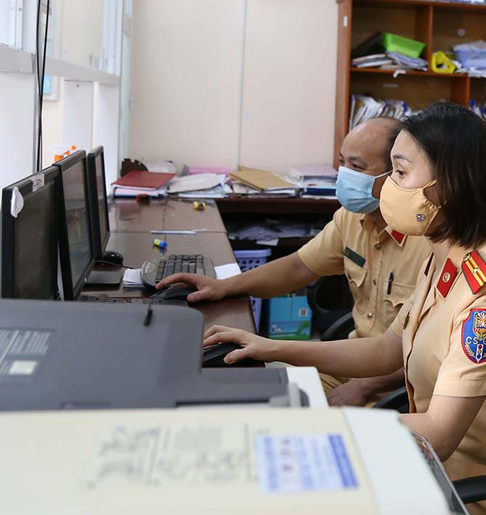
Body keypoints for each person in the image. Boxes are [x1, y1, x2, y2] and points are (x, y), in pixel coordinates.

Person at [203, 102, 486, 515]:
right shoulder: (445, 255)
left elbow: (439, 434)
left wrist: (314, 432)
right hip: (431, 469)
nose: (387, 186)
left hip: (478, 494)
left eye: (401, 173)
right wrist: (270, 347)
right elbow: (389, 348)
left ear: (450, 186)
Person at [159, 116, 432, 406]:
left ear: (396, 174)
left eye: (357, 167)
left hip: (397, 386)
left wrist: (364, 388)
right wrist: (224, 286)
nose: (345, 175)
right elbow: (299, 266)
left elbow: (425, 354)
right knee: (245, 390)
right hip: (347, 365)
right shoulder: (351, 218)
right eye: (342, 163)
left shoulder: (428, 243)